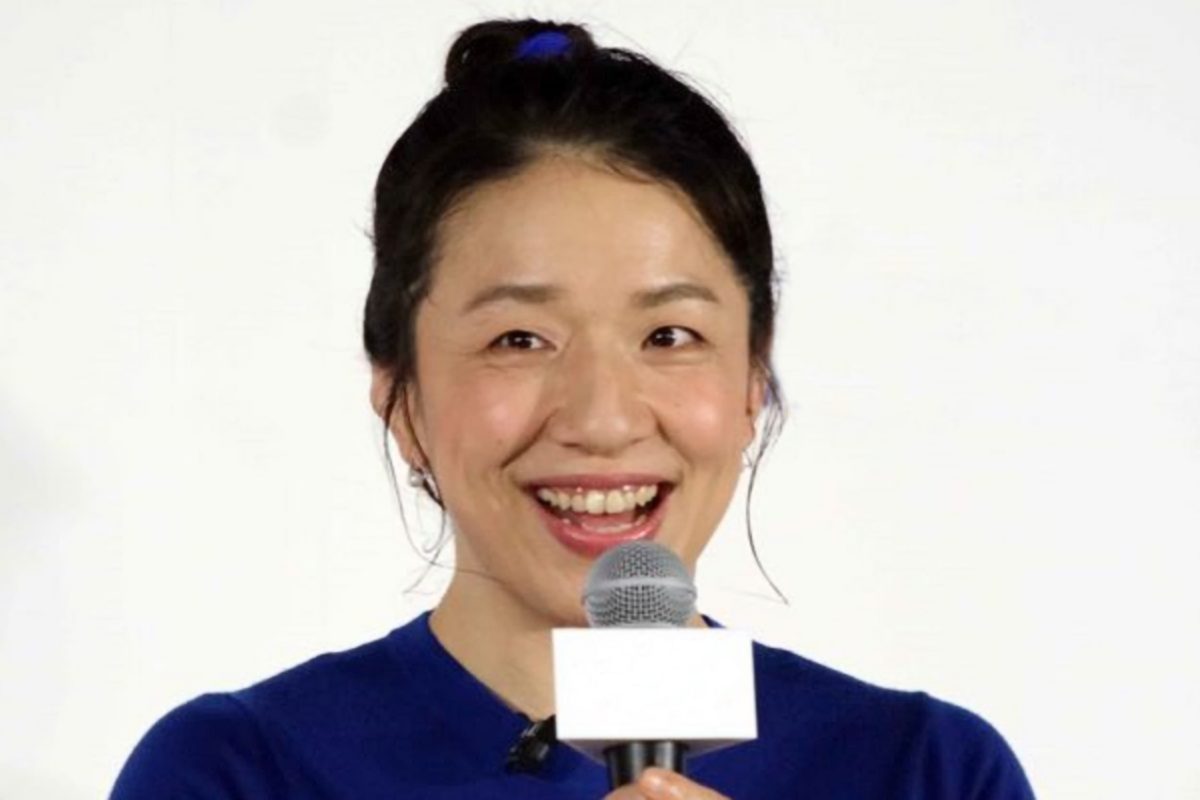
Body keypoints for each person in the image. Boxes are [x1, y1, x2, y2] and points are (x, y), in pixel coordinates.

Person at [110, 19, 1036, 800]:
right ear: (400, 398)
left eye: (669, 335)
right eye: (519, 339)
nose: (602, 418)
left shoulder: (925, 772)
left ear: (753, 381)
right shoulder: (238, 771)